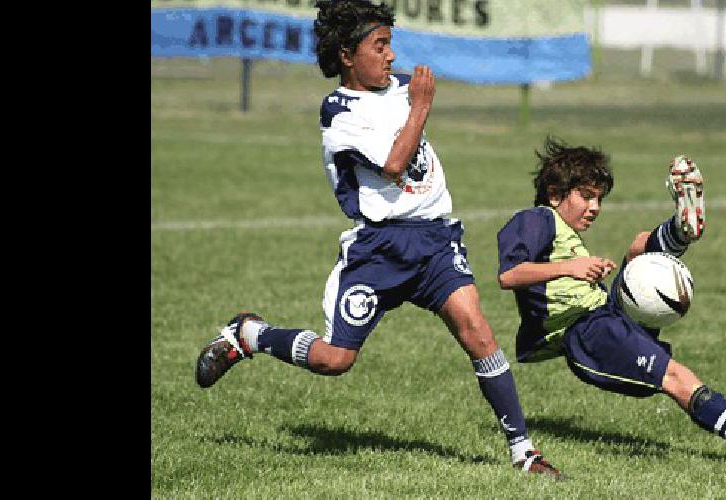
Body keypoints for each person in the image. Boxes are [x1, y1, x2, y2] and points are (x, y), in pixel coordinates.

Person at [194, 0, 562, 478]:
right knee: (334, 360)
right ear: (348, 55)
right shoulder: (339, 112)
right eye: (380, 45)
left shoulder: (400, 88)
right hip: (380, 251)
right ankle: (249, 334)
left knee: (479, 334)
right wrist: (422, 107)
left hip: (434, 241)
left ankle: (524, 453)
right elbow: (392, 163)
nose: (391, 56)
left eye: (391, 44)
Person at [495, 137, 726, 464]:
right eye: (586, 196)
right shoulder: (535, 219)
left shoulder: (562, 231)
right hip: (586, 332)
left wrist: (586, 270)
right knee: (677, 377)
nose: (595, 207)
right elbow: (509, 275)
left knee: (639, 247)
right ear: (554, 194)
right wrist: (573, 267)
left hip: (602, 313)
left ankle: (681, 230)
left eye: (599, 199)